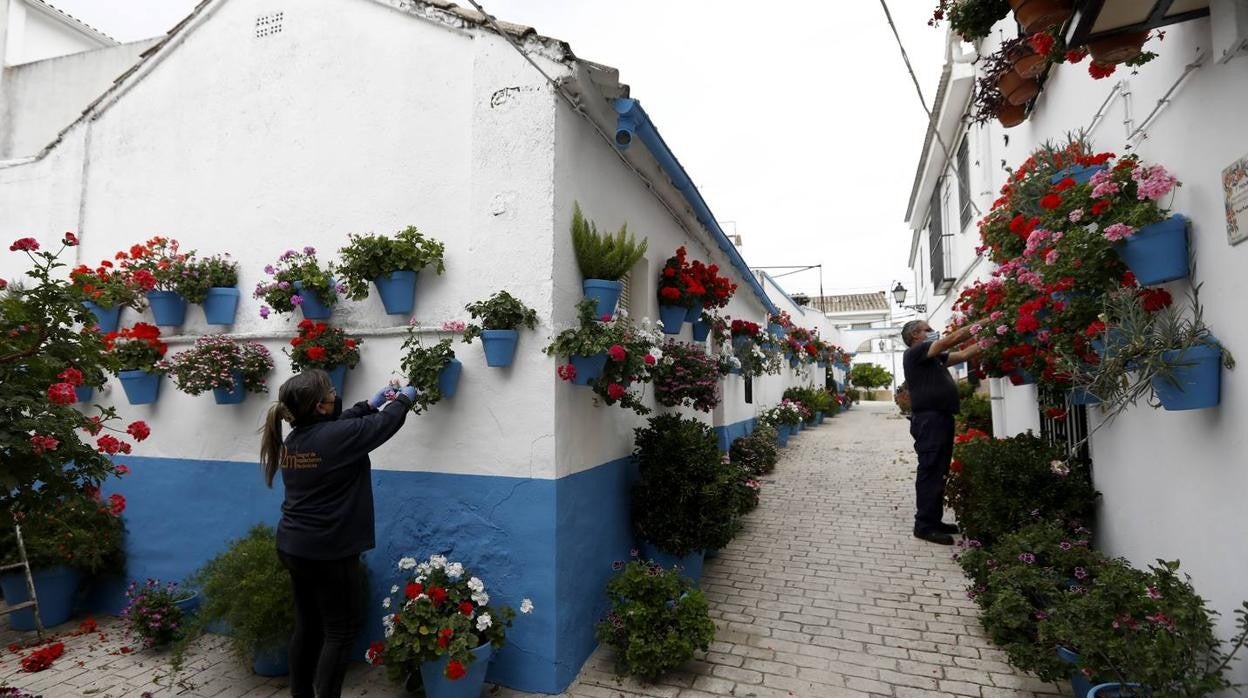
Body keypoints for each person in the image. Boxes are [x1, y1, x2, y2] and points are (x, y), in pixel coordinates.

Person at [259, 369, 416, 697]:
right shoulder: (333, 437)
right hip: (327, 552)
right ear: (319, 406)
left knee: (309, 626)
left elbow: (341, 426)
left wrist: (369, 403)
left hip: (294, 547)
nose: (334, 392)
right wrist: (404, 398)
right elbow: (382, 426)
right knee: (340, 632)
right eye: (330, 391)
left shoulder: (296, 438)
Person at [900, 320, 981, 545]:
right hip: (929, 420)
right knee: (930, 470)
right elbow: (951, 340)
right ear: (916, 335)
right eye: (927, 329)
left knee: (939, 471)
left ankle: (933, 520)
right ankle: (924, 525)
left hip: (940, 418)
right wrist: (985, 323)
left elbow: (963, 355)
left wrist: (990, 340)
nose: (932, 332)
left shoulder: (933, 358)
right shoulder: (916, 351)